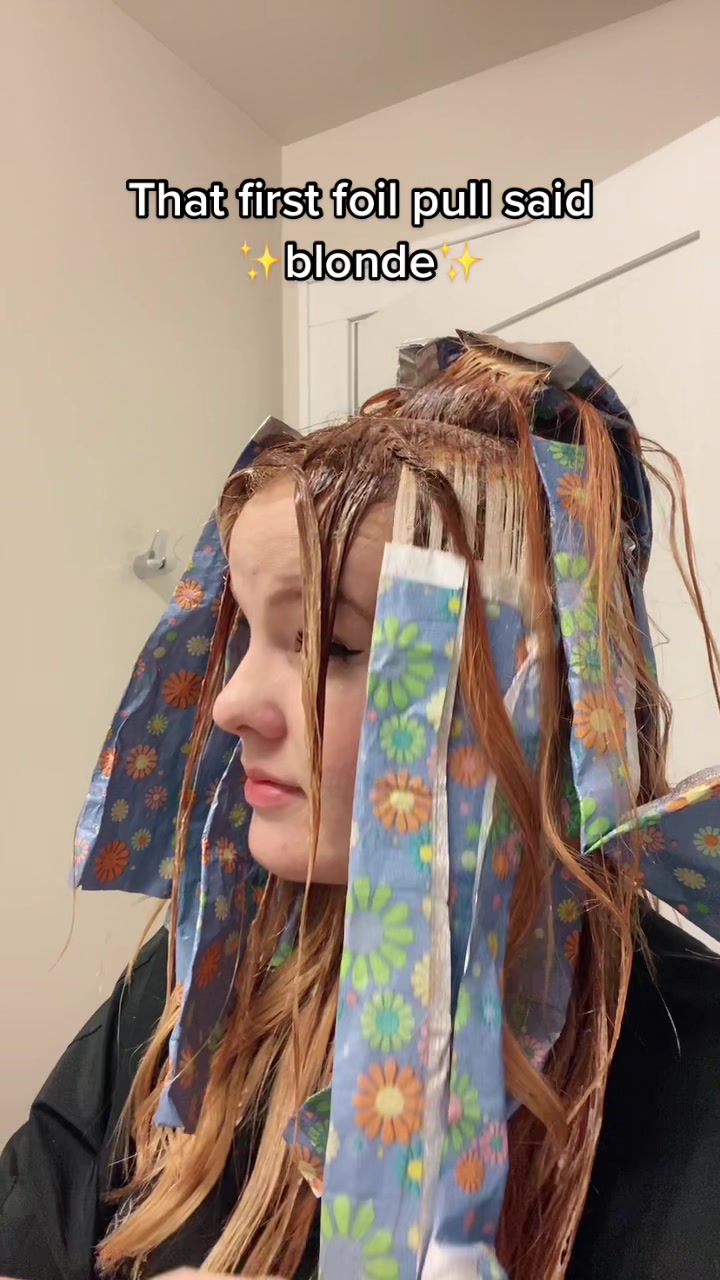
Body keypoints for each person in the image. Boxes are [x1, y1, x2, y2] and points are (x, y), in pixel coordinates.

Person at [2, 333, 720, 1280]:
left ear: (529, 691)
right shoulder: (200, 978)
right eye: (247, 638)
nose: (230, 705)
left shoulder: (691, 1067)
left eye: (330, 646)